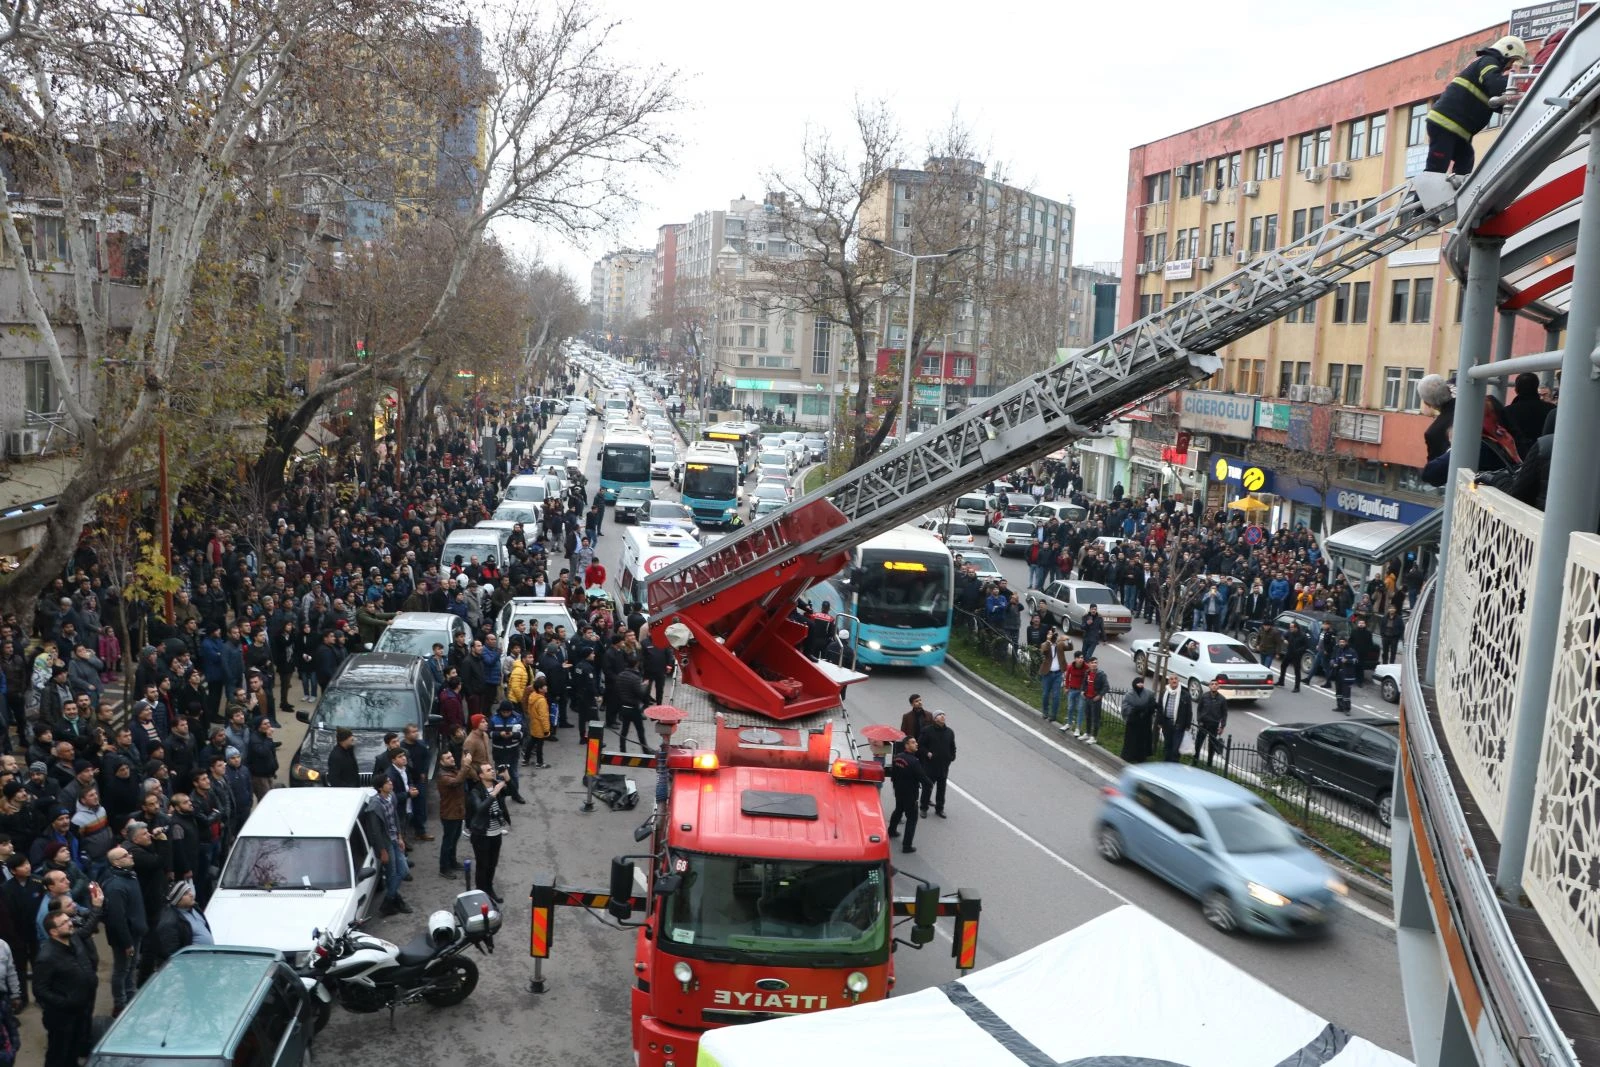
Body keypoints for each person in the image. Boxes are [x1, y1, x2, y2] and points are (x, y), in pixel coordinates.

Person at [1424, 35, 1526, 178]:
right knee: (1436, 170)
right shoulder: (1488, 61)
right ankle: (1422, 200)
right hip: (1444, 124)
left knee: (1465, 162)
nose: (1510, 66)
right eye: (1512, 60)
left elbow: (1495, 102)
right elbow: (1495, 85)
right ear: (1506, 51)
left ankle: (1455, 196)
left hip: (1457, 130)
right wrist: (1516, 84)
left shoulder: (1488, 68)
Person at [34, 880, 102, 1067]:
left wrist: (97, 907)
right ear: (54, 932)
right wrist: (64, 1002)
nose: (70, 924)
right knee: (59, 1053)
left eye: (68, 920)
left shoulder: (74, 938)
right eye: (64, 923)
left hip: (81, 1007)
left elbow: (88, 927)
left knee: (73, 1050)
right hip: (62, 1016)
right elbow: (40, 989)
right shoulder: (46, 957)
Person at [101, 847, 146, 1015]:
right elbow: (116, 918)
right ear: (116, 862)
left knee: (131, 967)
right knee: (122, 970)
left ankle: (131, 995)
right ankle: (120, 1004)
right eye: (125, 855)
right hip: (125, 937)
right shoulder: (115, 886)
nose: (130, 856)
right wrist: (127, 942)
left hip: (135, 932)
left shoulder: (130, 875)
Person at [464, 760, 511, 904]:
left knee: (492, 863)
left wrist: (508, 780)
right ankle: (481, 892)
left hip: (496, 833)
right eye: (488, 770)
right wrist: (494, 793)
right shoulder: (476, 791)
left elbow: (511, 792)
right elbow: (479, 809)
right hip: (481, 835)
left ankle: (489, 889)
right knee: (482, 865)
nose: (492, 771)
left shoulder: (497, 784)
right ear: (481, 776)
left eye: (492, 769)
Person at [368, 775, 411, 916]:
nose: (391, 783)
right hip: (386, 843)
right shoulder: (375, 805)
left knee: (403, 871)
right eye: (387, 782)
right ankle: (394, 900)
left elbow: (395, 818)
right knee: (392, 873)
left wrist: (400, 837)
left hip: (394, 839)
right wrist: (382, 851)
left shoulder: (391, 797)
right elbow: (375, 831)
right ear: (380, 787)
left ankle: (389, 900)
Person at [150, 879, 213, 968]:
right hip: (193, 967)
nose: (191, 894)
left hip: (208, 962)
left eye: (190, 890)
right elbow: (170, 953)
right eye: (186, 893)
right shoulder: (169, 921)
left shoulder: (195, 908)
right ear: (178, 899)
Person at [886, 738, 930, 854]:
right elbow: (922, 777)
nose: (916, 744)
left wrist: (895, 786)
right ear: (906, 745)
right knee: (912, 819)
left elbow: (893, 774)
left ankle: (891, 831)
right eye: (913, 742)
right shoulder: (914, 761)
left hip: (899, 791)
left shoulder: (898, 757)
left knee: (898, 809)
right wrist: (929, 784)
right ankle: (907, 845)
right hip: (910, 794)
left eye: (916, 742)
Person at [916, 712, 955, 819]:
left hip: (943, 766)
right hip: (930, 765)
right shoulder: (927, 731)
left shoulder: (950, 732)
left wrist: (951, 757)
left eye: (943, 714)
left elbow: (952, 747)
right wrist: (927, 753)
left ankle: (939, 808)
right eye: (939, 715)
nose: (942, 716)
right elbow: (920, 746)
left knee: (942, 789)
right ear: (935, 719)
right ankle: (923, 808)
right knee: (927, 787)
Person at [435, 750, 466, 877]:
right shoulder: (443, 776)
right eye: (448, 758)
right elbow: (457, 782)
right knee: (448, 841)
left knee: (455, 838)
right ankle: (444, 868)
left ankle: (452, 862)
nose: (452, 759)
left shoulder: (452, 770)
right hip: (449, 813)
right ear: (441, 762)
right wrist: (465, 766)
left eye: (452, 756)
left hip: (457, 811)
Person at [1119, 676, 1157, 764]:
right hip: (1133, 722)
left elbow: (1153, 704)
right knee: (1131, 740)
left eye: (1141, 683)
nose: (1140, 685)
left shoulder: (1148, 693)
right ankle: (1129, 756)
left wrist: (1147, 709)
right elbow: (1125, 707)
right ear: (1134, 684)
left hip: (1144, 722)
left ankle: (1141, 756)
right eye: (1138, 683)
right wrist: (1134, 710)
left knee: (1142, 740)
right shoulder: (1129, 695)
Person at [1192, 679, 1227, 768]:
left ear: (1218, 686)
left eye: (1216, 684)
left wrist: (1222, 726)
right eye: (1212, 684)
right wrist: (1199, 720)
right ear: (1209, 686)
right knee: (1198, 743)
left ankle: (1209, 764)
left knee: (1211, 746)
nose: (1214, 685)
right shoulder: (1204, 696)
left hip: (1214, 725)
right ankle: (1195, 761)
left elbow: (1224, 714)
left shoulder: (1222, 699)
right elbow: (1199, 709)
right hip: (1203, 724)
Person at [1158, 675, 1192, 763]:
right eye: (1171, 679)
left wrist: (1188, 725)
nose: (1174, 680)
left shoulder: (1185, 694)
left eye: (1176, 679)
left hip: (1179, 725)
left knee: (1176, 748)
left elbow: (1189, 711)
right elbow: (1160, 708)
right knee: (1167, 745)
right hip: (1167, 723)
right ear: (1168, 681)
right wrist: (1159, 721)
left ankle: (1174, 765)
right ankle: (1166, 763)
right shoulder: (1165, 692)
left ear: (1178, 681)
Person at [1080, 657, 1109, 745]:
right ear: (1089, 664)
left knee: (1095, 718)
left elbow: (1106, 687)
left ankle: (1094, 737)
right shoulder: (1087, 673)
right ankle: (1087, 733)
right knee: (1088, 716)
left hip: (1095, 699)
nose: (1094, 664)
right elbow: (1084, 683)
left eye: (1096, 662)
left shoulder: (1101, 674)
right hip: (1087, 698)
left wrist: (1099, 695)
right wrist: (1082, 691)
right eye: (1092, 662)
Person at [1331, 638, 1360, 714]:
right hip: (1338, 675)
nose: (1341, 643)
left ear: (1346, 643)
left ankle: (1347, 709)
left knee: (1346, 693)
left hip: (1347, 676)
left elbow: (1356, 660)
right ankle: (1339, 706)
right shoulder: (1337, 650)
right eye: (1340, 642)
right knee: (1338, 692)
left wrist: (1348, 661)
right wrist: (1333, 663)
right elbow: (1332, 659)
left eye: (1343, 642)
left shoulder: (1351, 651)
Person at [1280, 622, 1307, 692]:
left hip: (1297, 655)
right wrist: (1284, 640)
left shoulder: (1303, 635)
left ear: (1296, 628)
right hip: (1289, 652)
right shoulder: (1289, 633)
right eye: (1290, 627)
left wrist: (1299, 650)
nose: (1290, 629)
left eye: (1292, 627)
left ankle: (1297, 687)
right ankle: (1281, 681)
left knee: (1297, 671)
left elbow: (1306, 646)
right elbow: (1282, 635)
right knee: (1283, 665)